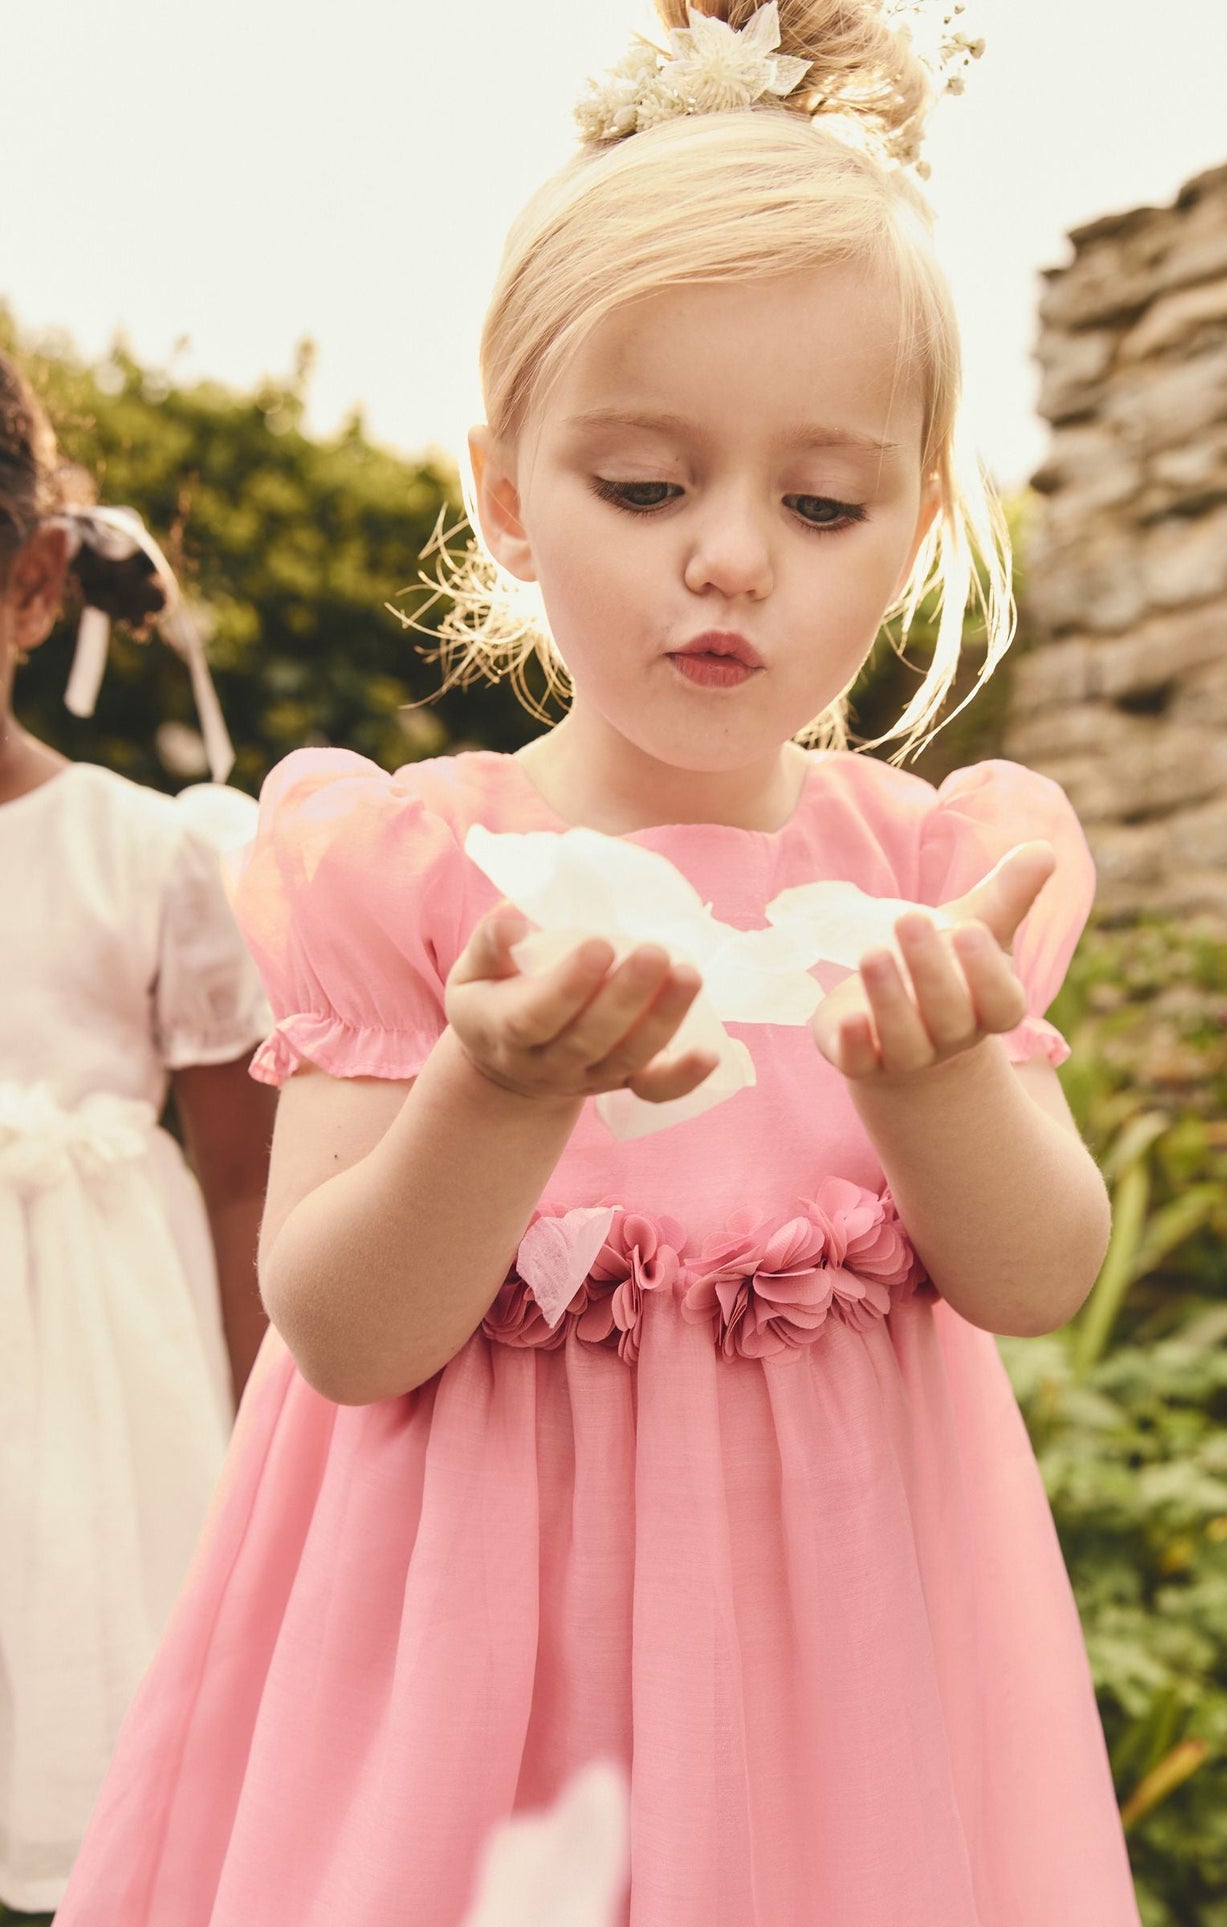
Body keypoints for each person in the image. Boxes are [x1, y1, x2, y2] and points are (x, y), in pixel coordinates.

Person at [57, 4, 1141, 1922]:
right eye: (644, 486)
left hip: (834, 1713)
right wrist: (494, 1093)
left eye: (822, 503)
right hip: (475, 1709)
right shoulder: (410, 869)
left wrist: (932, 1082)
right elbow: (340, 1327)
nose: (732, 559)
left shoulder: (923, 875)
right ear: (503, 483)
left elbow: (1041, 1275)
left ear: (912, 525)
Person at [0, 350, 275, 1917]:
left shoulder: (152, 855)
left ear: (36, 585)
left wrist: (262, 1477)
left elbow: (246, 1186)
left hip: (101, 1419)